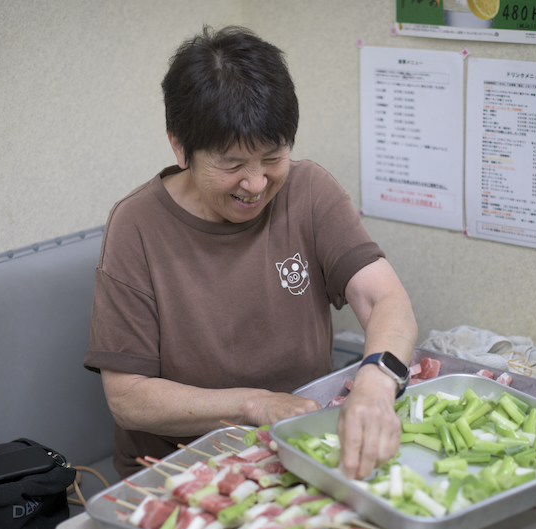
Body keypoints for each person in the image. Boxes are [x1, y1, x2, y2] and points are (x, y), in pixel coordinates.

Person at [83, 25, 417, 481]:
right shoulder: (135, 226)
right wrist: (252, 404)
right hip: (183, 475)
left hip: (301, 453)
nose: (257, 183)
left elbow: (385, 299)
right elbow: (128, 398)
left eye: (273, 157)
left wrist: (377, 382)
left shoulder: (309, 190)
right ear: (180, 147)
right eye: (233, 164)